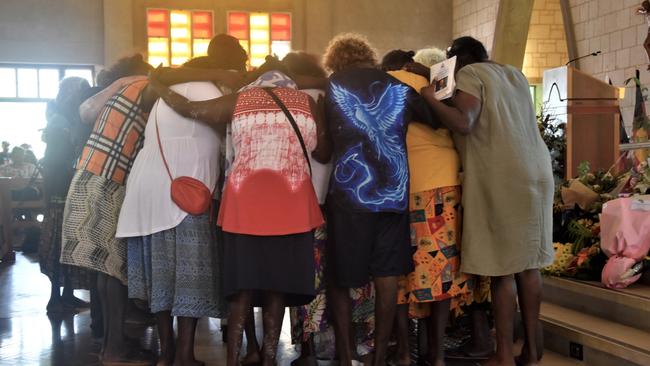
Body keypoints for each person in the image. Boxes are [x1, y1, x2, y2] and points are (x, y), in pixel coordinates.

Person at [148, 63, 330, 366]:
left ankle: (234, 359)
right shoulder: (306, 103)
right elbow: (323, 152)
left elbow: (190, 109)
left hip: (244, 204)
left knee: (241, 286)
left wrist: (160, 87)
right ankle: (269, 358)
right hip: (293, 203)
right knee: (278, 286)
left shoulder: (240, 100)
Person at [421, 36, 554, 366]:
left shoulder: (471, 74)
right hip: (536, 170)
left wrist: (430, 98)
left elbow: (464, 123)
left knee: (502, 269)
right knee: (528, 264)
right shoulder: (514, 74)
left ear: (458, 62)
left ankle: (505, 355)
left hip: (502, 174)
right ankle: (533, 350)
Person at [116, 46, 247, 366]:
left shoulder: (162, 95)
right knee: (187, 278)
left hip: (146, 191)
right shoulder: (208, 91)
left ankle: (167, 354)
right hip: (186, 191)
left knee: (162, 278)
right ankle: (185, 355)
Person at [322, 34, 436, 366]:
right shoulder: (398, 86)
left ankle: (345, 355)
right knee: (387, 275)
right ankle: (379, 357)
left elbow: (326, 146)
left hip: (349, 198)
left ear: (337, 60)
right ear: (367, 57)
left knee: (341, 277)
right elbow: (435, 118)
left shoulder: (331, 86)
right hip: (393, 195)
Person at [60, 54, 155, 365]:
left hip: (86, 178)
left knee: (103, 268)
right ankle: (114, 349)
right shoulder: (144, 88)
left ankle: (107, 345)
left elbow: (83, 112)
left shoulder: (116, 91)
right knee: (113, 269)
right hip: (110, 181)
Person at [380, 49, 473, 366]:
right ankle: (439, 355)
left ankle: (405, 352)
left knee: (398, 272)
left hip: (398, 188)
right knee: (440, 272)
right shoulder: (430, 79)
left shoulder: (381, 83)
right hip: (443, 182)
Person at [39, 77, 95, 314]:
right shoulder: (61, 122)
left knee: (67, 242)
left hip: (62, 187)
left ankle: (67, 294)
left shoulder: (62, 118)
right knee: (60, 243)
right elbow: (58, 160)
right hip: (61, 190)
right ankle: (56, 298)